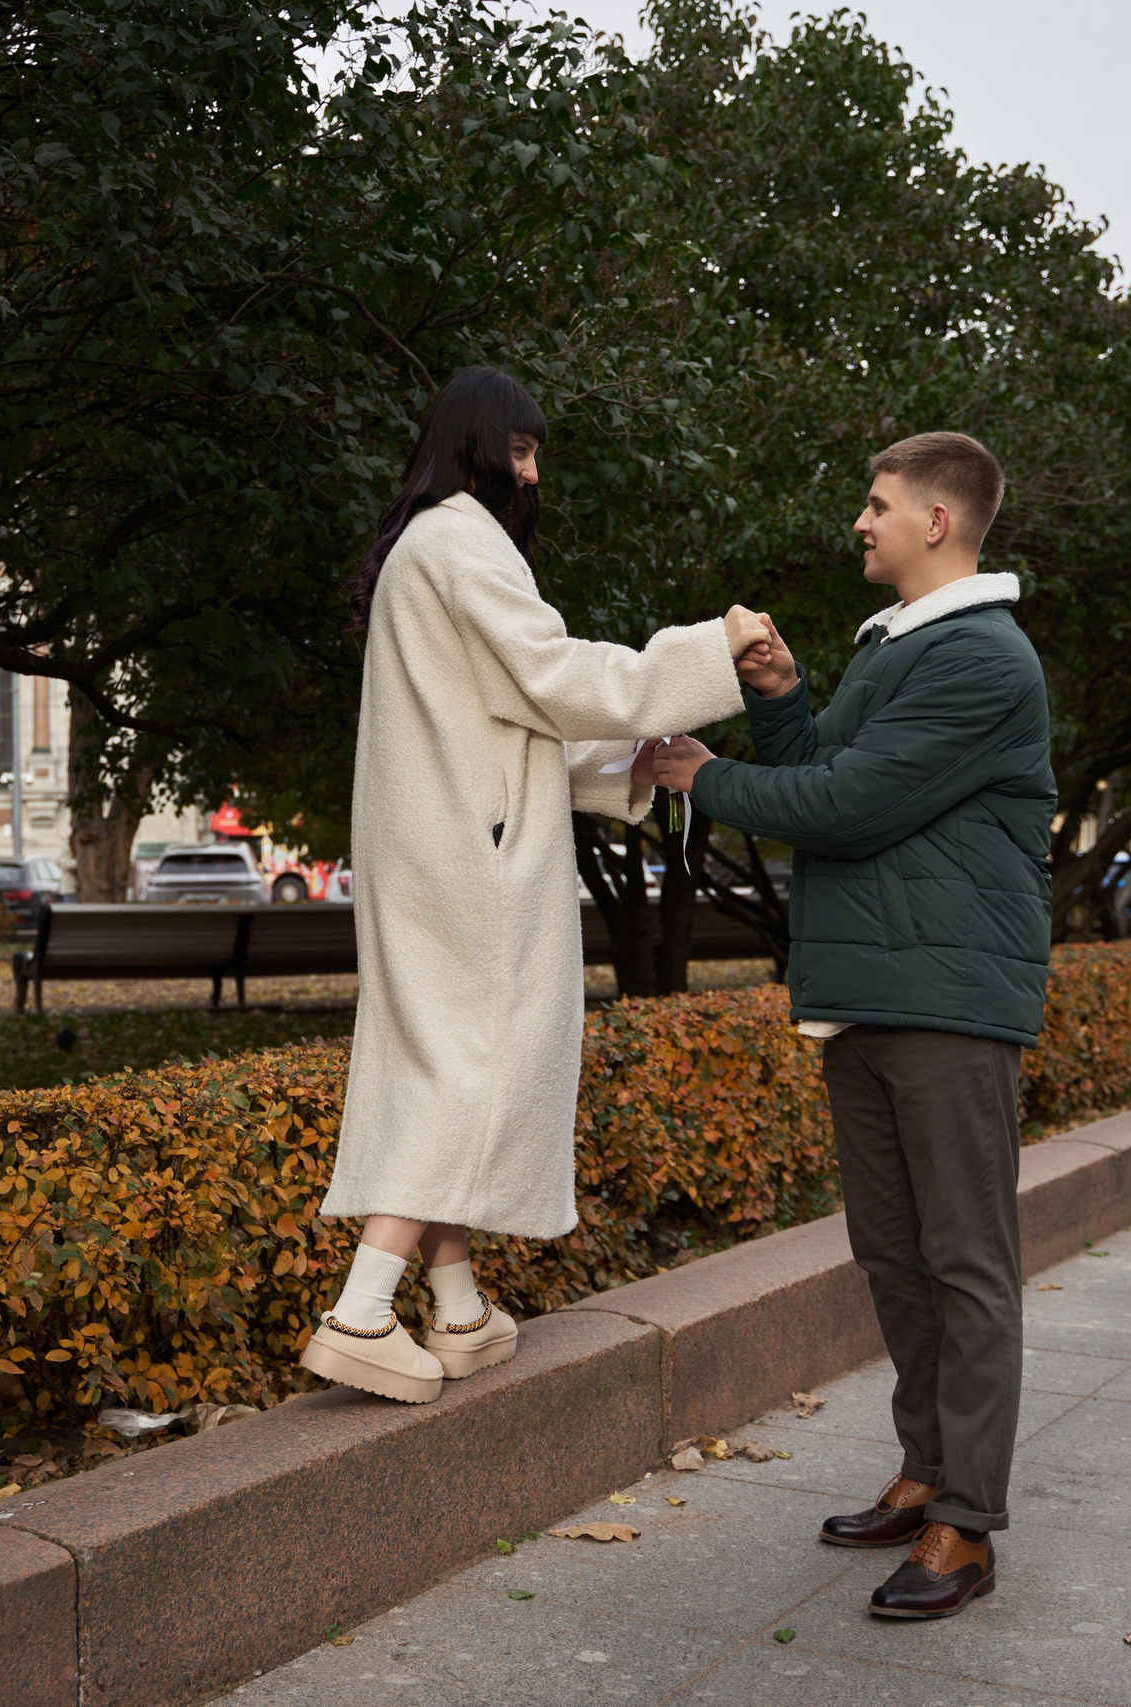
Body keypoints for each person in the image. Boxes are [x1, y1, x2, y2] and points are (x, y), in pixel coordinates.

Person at [301, 365, 778, 1403]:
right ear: (477, 447)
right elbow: (555, 676)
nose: (531, 472)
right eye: (519, 451)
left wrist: (623, 767)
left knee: (448, 1056)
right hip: (470, 858)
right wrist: (710, 648)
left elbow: (499, 720)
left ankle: (460, 1306)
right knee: (467, 1065)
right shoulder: (459, 539)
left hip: (440, 844)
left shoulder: (424, 547)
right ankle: (361, 1310)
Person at [650, 431, 1053, 1621]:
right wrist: (782, 698)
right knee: (895, 1255)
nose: (859, 524)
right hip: (870, 993)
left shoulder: (985, 657)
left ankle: (967, 1525)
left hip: (947, 1002)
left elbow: (850, 806)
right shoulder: (900, 645)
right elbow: (829, 762)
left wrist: (701, 777)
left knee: (968, 1264)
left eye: (877, 506)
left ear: (938, 520)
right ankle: (926, 1470)